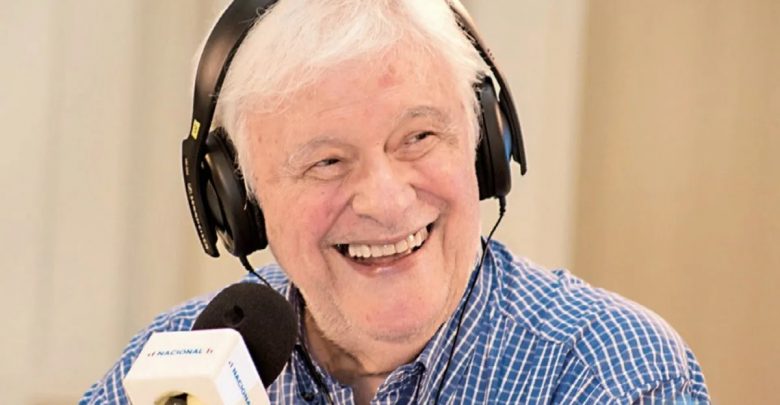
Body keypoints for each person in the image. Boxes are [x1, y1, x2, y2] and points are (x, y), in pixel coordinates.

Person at [81, 1, 710, 404]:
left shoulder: (610, 372)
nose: (385, 201)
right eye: (327, 161)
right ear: (240, 203)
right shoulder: (172, 367)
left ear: (483, 147)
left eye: (419, 137)